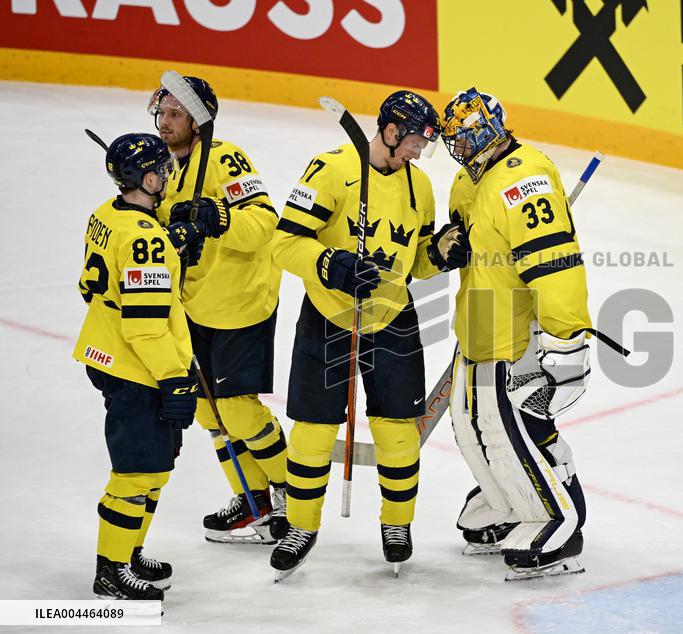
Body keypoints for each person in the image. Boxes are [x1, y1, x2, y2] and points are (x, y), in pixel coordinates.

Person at [269, 90, 462, 578]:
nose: (421, 151)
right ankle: (300, 526)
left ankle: (397, 524)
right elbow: (283, 243)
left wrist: (438, 254)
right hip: (329, 316)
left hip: (392, 316)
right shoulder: (331, 170)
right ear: (392, 131)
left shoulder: (420, 188)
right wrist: (330, 264)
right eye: (417, 140)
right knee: (313, 431)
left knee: (399, 433)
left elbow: (414, 263)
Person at [440, 88, 619, 580]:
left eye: (470, 135)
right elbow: (465, 245)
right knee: (474, 432)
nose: (462, 146)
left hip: (518, 337)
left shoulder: (527, 180)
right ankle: (509, 503)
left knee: (520, 431)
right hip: (477, 329)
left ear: (492, 131)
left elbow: (556, 266)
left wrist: (566, 344)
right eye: (456, 138)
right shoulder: (466, 180)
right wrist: (445, 244)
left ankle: (560, 520)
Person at [148, 75, 288, 544]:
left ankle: (292, 499)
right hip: (196, 303)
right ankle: (255, 504)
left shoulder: (224, 157)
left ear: (198, 121)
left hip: (242, 301)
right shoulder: (168, 166)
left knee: (240, 411)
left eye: (175, 115)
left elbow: (264, 223)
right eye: (162, 113)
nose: (164, 122)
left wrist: (215, 216)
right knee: (208, 412)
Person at [74, 133, 198, 599]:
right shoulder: (145, 242)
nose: (167, 176)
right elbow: (145, 328)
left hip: (107, 351)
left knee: (153, 466)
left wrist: (169, 236)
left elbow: (89, 288)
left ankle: (127, 551)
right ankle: (111, 571)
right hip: (138, 367)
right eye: (162, 171)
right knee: (134, 473)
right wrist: (175, 378)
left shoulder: (107, 215)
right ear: (146, 178)